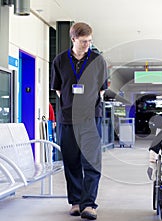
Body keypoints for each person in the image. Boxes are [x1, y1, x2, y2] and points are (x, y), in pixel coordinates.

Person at [51, 22, 107, 220]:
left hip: (91, 118)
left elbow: (102, 88)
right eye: (84, 41)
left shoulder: (98, 60)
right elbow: (58, 89)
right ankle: (76, 202)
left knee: (91, 162)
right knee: (71, 161)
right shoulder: (59, 61)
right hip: (67, 119)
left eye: (90, 41)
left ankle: (89, 204)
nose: (87, 45)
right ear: (73, 39)